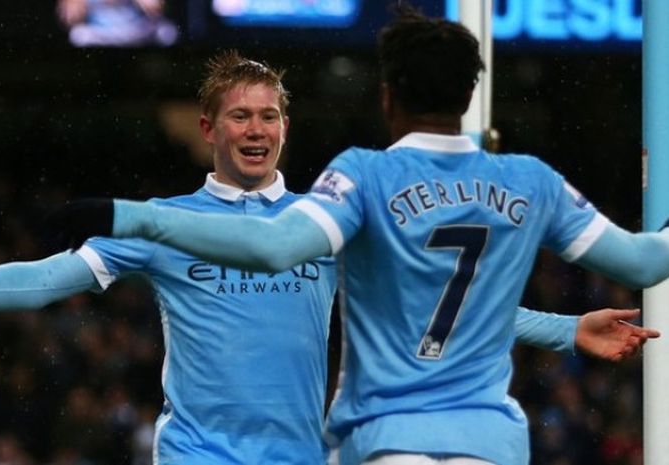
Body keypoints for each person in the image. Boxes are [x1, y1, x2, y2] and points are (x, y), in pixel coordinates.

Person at [45, 7, 669, 465]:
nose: (256, 128)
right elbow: (643, 260)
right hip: (489, 443)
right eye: (241, 115)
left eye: (267, 115)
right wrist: (566, 328)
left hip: (378, 441)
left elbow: (273, 248)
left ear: (387, 96)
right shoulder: (530, 179)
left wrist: (126, 214)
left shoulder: (361, 180)